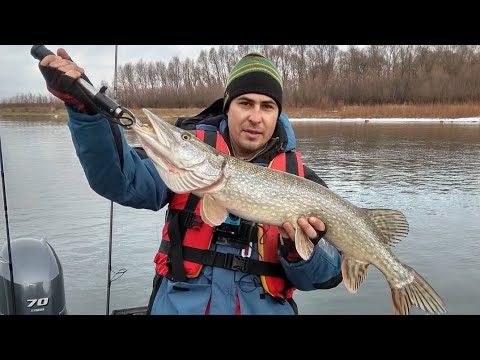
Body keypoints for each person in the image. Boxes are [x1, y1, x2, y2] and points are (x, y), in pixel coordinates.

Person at [37, 48, 343, 315]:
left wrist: (300, 251)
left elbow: (326, 276)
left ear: (278, 114)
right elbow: (120, 179)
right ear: (228, 106)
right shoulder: (187, 162)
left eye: (267, 106)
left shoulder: (302, 179)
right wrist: (87, 111)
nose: (255, 117)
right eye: (245, 103)